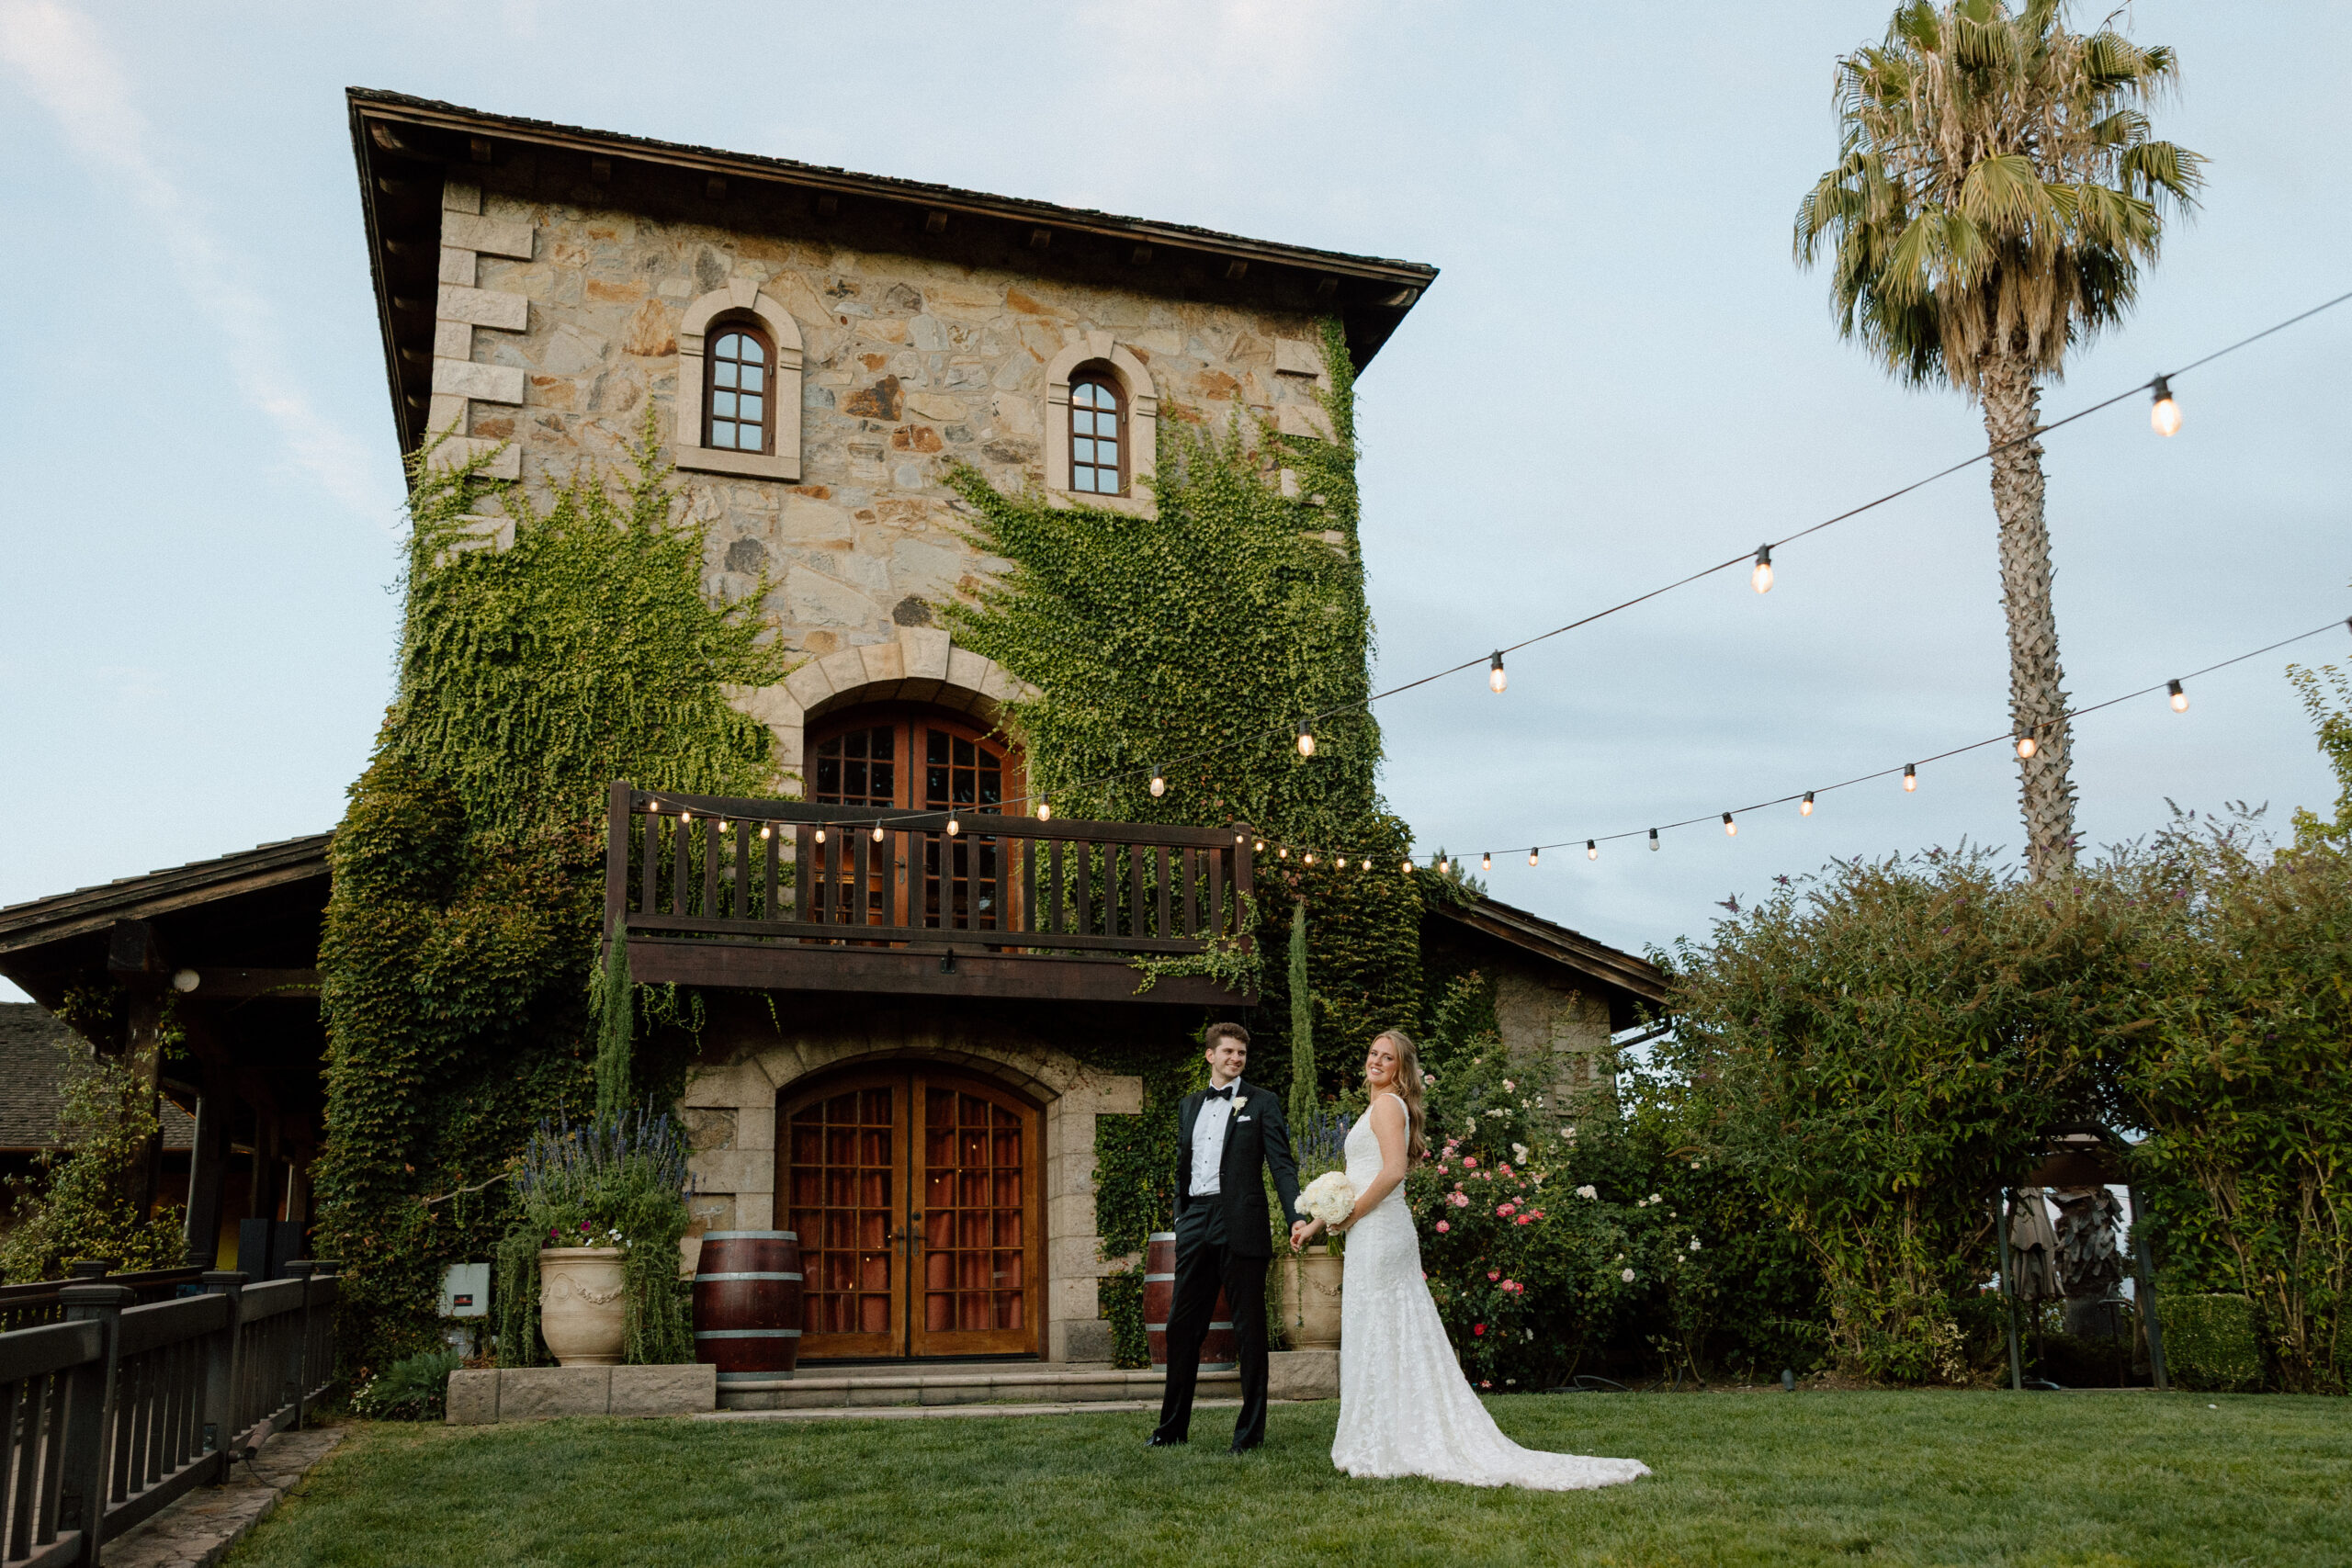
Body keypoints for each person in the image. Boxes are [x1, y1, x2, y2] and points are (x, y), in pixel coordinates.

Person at [1295, 1027, 1650, 1490]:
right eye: (1373, 1054)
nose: (1376, 1061)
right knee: (1380, 1327)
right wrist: (1320, 1221)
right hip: (1371, 1230)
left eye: (1388, 1058)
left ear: (1401, 1070)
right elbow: (1354, 1180)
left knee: (1383, 1325)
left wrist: (1351, 1217)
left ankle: (1388, 1438)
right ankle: (1382, 1432)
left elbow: (1393, 1172)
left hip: (1380, 1232)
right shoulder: (1376, 1106)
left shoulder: (1386, 1105)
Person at [1149, 1021, 1301, 1453]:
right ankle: (1171, 1429)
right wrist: (1182, 1217)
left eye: (1241, 1054)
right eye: (1229, 1052)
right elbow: (1184, 1163)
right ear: (1210, 1056)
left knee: (1249, 1331)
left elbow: (1282, 1165)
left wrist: (1297, 1216)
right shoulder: (1189, 1105)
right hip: (1196, 1221)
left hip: (1242, 1225)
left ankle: (1249, 1436)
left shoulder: (1263, 1103)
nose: (1236, 1059)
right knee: (1181, 1328)